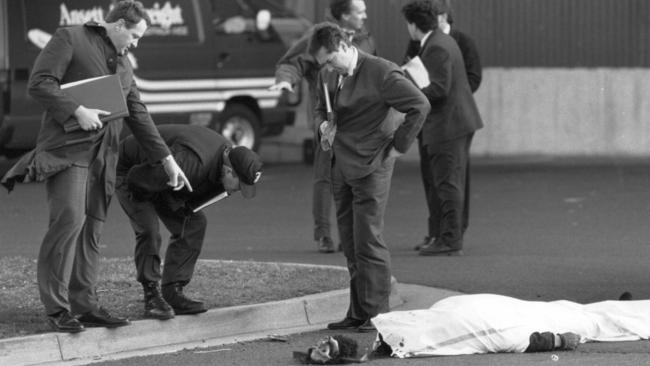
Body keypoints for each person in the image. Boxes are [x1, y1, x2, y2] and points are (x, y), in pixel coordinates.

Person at [0, 0, 191, 333]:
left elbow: (138, 114)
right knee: (69, 223)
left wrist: (167, 159)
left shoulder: (125, 66)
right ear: (117, 25)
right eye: (134, 35)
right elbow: (39, 83)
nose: (136, 43)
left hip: (105, 157)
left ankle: (85, 305)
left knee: (92, 231)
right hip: (68, 152)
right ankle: (58, 309)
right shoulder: (70, 38)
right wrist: (76, 111)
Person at [308, 22, 430, 332]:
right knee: (350, 241)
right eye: (324, 63)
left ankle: (377, 314)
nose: (328, 67)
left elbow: (419, 105)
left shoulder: (382, 72)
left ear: (346, 46)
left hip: (372, 164)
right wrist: (323, 127)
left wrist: (398, 146)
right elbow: (321, 109)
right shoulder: (326, 74)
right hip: (341, 164)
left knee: (368, 239)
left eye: (332, 59)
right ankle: (358, 311)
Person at [115, 125, 263, 320]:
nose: (238, 191)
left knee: (193, 224)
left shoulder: (225, 161)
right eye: (240, 185)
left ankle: (172, 292)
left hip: (161, 176)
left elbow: (192, 202)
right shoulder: (193, 163)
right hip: (131, 171)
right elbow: (138, 179)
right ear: (229, 172)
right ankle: (151, 295)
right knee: (149, 229)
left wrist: (174, 203)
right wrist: (155, 203)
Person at [270, 0, 376, 254]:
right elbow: (291, 62)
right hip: (328, 121)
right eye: (359, 11)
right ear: (344, 15)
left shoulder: (366, 38)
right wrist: (286, 82)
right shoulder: (317, 36)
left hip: (358, 121)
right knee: (325, 178)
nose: (365, 16)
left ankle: (352, 234)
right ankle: (323, 235)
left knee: (357, 177)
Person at [401, 1, 483, 256]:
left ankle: (449, 239)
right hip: (455, 121)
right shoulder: (441, 41)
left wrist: (410, 92)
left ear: (414, 25)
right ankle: (446, 235)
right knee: (449, 182)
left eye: (408, 24)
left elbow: (438, 88)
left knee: (447, 183)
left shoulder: (435, 46)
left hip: (447, 124)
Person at [370, 293, 650, 357]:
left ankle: (627, 309)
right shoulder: (442, 309)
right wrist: (558, 340)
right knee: (587, 316)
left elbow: (513, 338)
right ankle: (624, 307)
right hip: (520, 313)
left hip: (519, 316)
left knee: (591, 320)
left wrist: (560, 341)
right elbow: (515, 338)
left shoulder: (456, 323)